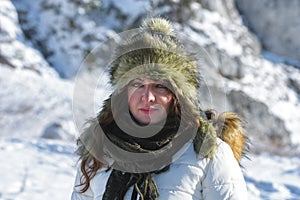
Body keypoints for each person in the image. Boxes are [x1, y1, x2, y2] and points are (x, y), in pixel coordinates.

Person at [71, 17, 248, 200]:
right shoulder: (99, 150)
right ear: (124, 92)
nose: (147, 97)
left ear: (178, 96)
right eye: (138, 84)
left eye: (160, 86)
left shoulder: (209, 153)